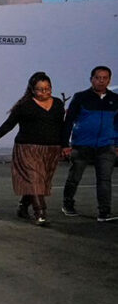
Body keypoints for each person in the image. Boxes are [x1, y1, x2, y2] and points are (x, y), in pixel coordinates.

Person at [0, 72, 66, 225]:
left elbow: (62, 126)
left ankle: (23, 206)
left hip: (51, 149)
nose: (44, 92)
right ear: (32, 90)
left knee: (41, 181)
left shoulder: (58, 104)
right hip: (28, 148)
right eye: (40, 89)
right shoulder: (25, 105)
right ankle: (40, 213)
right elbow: (9, 124)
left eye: (47, 89)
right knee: (34, 179)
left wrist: (64, 145)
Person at [61, 66, 118, 222]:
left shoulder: (115, 99)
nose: (101, 81)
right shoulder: (80, 97)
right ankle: (68, 204)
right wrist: (65, 144)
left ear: (109, 80)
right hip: (82, 145)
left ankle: (104, 212)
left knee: (105, 180)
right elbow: (69, 121)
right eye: (98, 77)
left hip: (106, 146)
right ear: (91, 79)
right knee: (74, 177)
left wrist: (117, 144)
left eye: (105, 78)